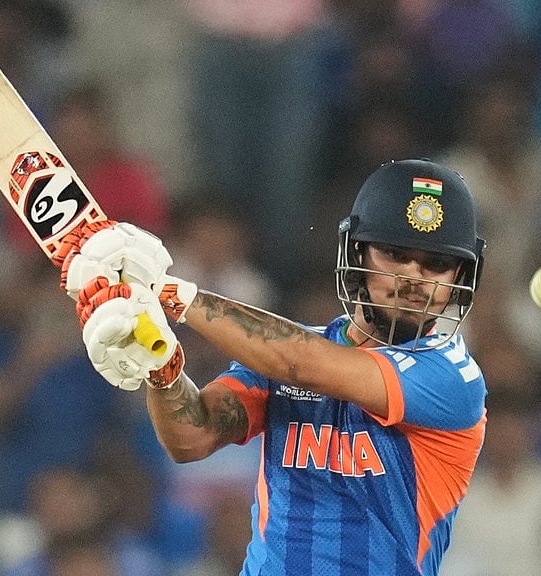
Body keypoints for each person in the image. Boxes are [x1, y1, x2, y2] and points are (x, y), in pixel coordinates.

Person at [54, 159, 488, 575]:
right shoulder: (284, 352)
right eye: (395, 254)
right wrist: (163, 370)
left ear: (460, 277)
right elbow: (192, 437)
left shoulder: (453, 377)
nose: (416, 279)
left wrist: (163, 289)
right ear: (358, 254)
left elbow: (301, 361)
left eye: (437, 264)